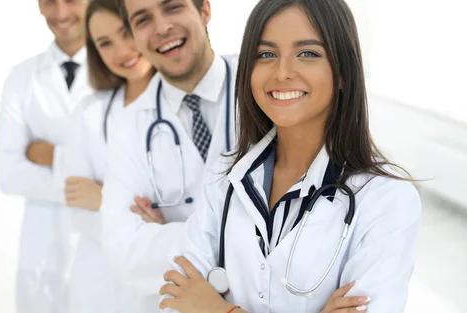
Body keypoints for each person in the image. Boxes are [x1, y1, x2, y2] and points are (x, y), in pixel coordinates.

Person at [159, 0, 421, 312]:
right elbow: (175, 299)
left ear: (343, 74)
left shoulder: (386, 200)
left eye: (308, 53)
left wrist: (218, 308)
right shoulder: (225, 176)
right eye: (266, 54)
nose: (283, 73)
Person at [99, 0, 237, 311]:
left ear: (205, 10)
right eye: (143, 19)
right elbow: (124, 252)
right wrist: (246, 240)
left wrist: (165, 235)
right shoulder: (128, 124)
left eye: (173, 7)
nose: (162, 28)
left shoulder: (261, 85)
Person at [51, 0, 155, 311]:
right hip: (97, 278)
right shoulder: (88, 112)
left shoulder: (185, 105)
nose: (122, 50)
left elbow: (188, 215)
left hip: (161, 280)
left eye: (126, 33)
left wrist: (105, 200)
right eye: (105, 43)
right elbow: (76, 200)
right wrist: (138, 217)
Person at [0, 0, 90, 312]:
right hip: (42, 245)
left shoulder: (123, 70)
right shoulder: (21, 77)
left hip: (102, 244)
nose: (60, 13)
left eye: (72, 0)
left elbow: (124, 165)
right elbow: (8, 173)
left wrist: (52, 156)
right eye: (49, 1)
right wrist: (89, 184)